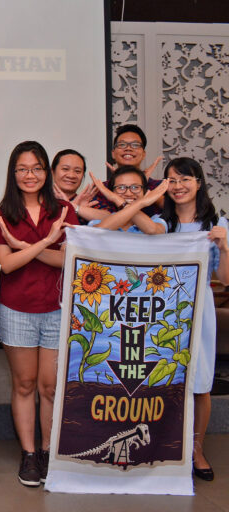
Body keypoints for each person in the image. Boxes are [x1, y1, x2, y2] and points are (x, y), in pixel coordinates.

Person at [0, 141, 78, 487]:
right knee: (24, 384)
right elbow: (7, 265)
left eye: (37, 168)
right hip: (16, 310)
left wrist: (25, 247)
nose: (30, 175)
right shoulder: (2, 213)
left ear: (47, 172)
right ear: (13, 173)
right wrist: (44, 243)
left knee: (50, 387)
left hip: (56, 309)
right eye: (23, 169)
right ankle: (28, 455)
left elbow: (66, 259)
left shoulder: (65, 209)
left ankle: (46, 451)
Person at [154, 157, 229, 482]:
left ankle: (197, 449)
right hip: (163, 313)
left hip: (200, 312)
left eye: (184, 178)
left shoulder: (217, 224)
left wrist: (224, 247)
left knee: (199, 384)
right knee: (163, 380)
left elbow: (225, 280)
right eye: (171, 180)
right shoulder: (160, 223)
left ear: (198, 181)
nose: (178, 186)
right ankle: (161, 446)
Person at [92, 124, 163, 215]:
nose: (128, 148)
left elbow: (178, 211)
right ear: (113, 153)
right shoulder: (102, 189)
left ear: (144, 154)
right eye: (122, 144)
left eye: (135, 145)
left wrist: (145, 186)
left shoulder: (159, 186)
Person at [87, 166, 169, 234]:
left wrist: (122, 202)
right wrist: (141, 203)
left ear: (144, 191)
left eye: (135, 187)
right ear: (112, 192)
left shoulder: (156, 220)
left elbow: (153, 231)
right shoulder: (98, 222)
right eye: (121, 187)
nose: (129, 193)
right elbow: (99, 232)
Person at [51, 149, 104, 223]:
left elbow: (112, 219)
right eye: (65, 169)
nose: (71, 175)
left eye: (77, 171)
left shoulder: (88, 201)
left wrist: (75, 207)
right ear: (52, 172)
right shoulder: (40, 200)